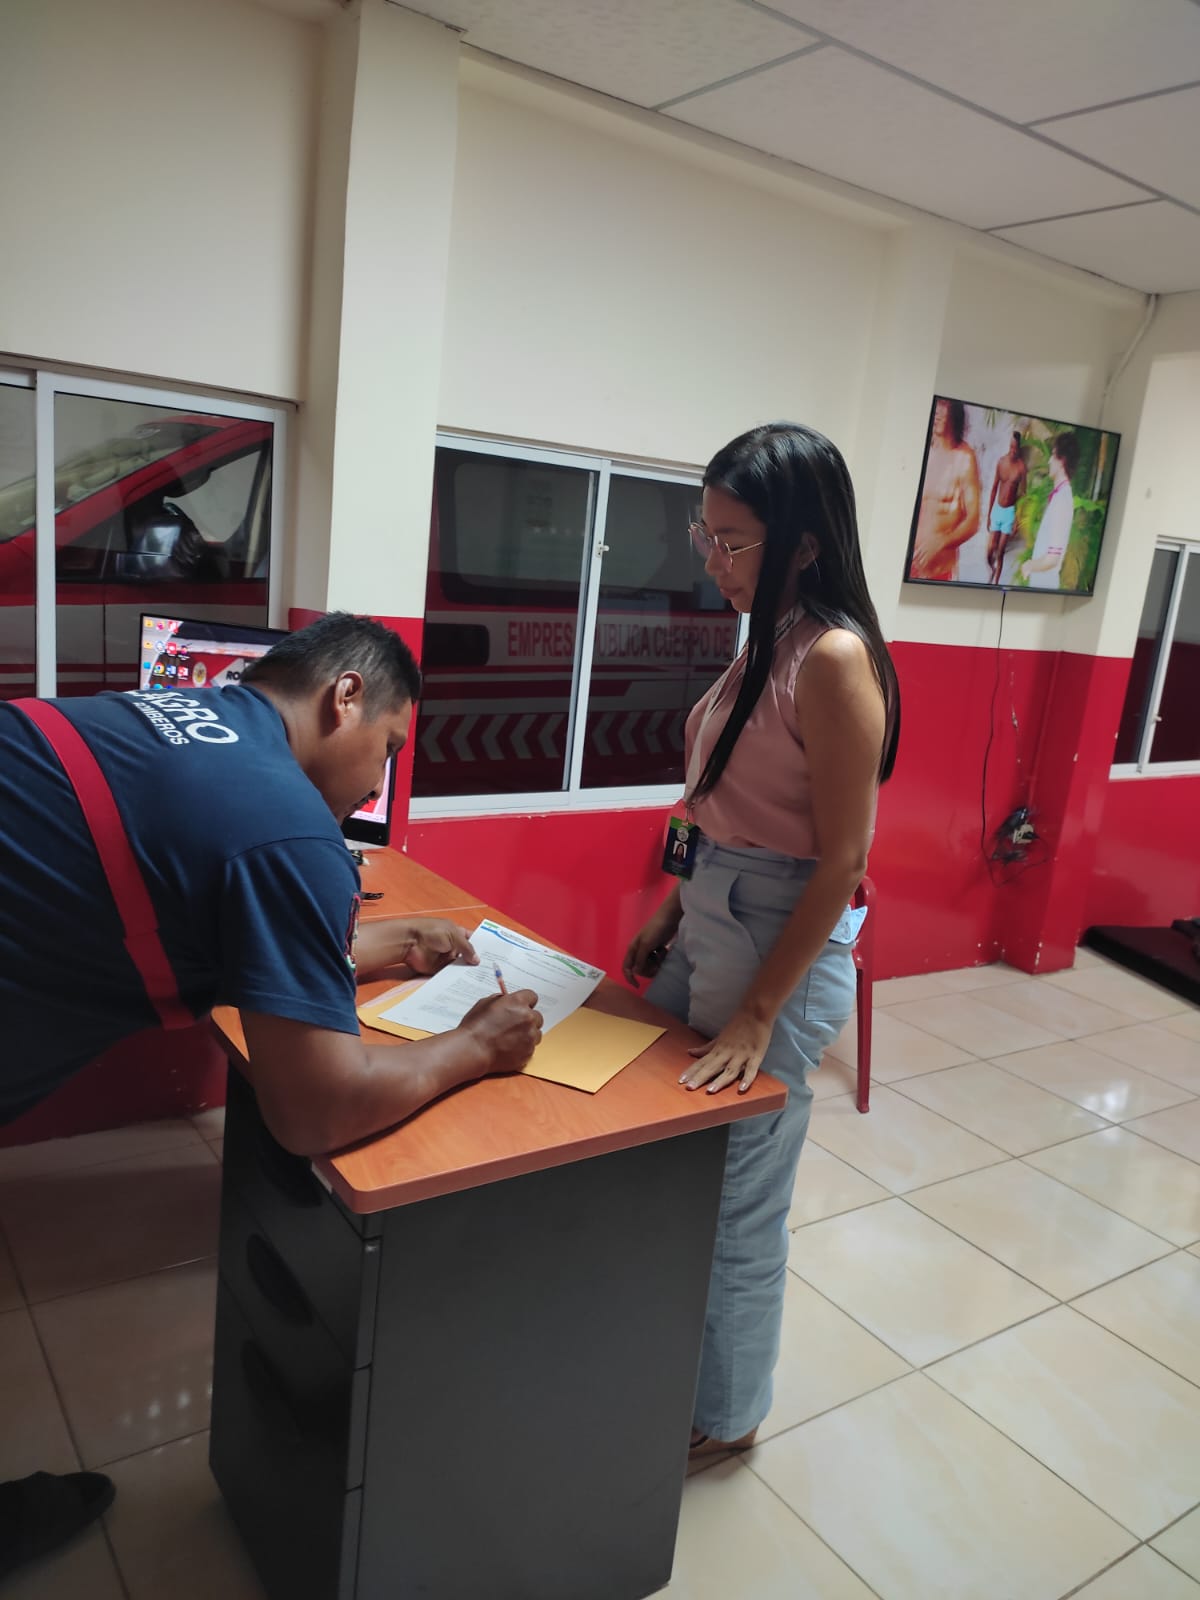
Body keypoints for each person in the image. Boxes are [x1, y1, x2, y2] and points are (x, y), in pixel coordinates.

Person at [0, 611, 542, 1579]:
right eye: (388, 746)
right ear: (345, 696)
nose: (378, 781)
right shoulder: (287, 826)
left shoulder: (166, 717)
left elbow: (185, 893)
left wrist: (361, 943)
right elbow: (314, 1110)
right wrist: (474, 1045)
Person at [623, 423, 899, 1460]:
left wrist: (756, 1013)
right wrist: (672, 905)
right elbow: (714, 796)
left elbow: (843, 860)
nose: (712, 560)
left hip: (778, 935)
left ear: (806, 543)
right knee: (655, 1140)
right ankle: (669, 1356)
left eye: (734, 540)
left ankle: (729, 1416)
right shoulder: (764, 641)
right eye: (706, 534)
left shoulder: (832, 658)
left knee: (737, 1198)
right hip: (713, 909)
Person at [909, 398, 980, 581]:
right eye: (936, 406)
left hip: (939, 573)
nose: (937, 413)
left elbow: (973, 521)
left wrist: (941, 542)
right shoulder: (921, 450)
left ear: (955, 413)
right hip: (904, 567)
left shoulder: (964, 458)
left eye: (944, 406)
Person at [1020, 432, 1079, 589]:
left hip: (1044, 584)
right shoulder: (1061, 496)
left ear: (1062, 460)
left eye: (1053, 455)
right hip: (1041, 583)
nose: (1049, 460)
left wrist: (1029, 565)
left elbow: (1052, 559)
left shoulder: (1062, 499)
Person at [986, 431, 1027, 585]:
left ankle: (996, 584)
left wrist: (1017, 519)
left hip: (1009, 512)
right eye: (1011, 447)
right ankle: (992, 569)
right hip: (998, 510)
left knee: (1001, 551)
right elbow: (994, 489)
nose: (1013, 451)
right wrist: (989, 515)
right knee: (990, 550)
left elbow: (1024, 494)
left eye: (1016, 448)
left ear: (1019, 448)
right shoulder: (1001, 462)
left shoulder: (1021, 468)